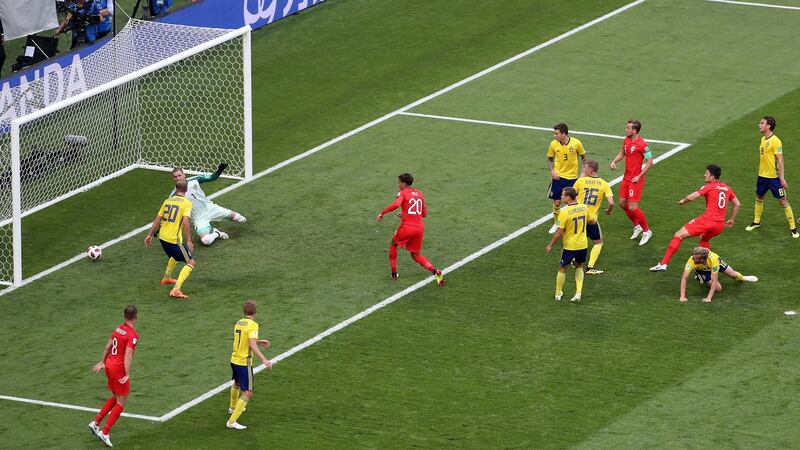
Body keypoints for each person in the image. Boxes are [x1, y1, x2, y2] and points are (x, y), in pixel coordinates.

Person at [650, 164, 740, 272]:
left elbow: (692, 196)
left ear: (712, 177)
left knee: (679, 235)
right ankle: (705, 266)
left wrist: (683, 201)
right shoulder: (727, 188)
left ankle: (663, 264)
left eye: (706, 173)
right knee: (704, 239)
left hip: (707, 221)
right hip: (719, 225)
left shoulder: (709, 186)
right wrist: (731, 219)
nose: (704, 175)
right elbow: (737, 204)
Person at [376, 173, 445, 286]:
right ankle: (434, 271)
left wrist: (382, 213)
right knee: (415, 255)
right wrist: (405, 213)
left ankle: (394, 274)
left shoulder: (403, 193)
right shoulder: (419, 193)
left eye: (399, 182)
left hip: (407, 227)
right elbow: (424, 213)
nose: (398, 185)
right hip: (419, 228)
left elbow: (396, 204)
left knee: (394, 244)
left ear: (404, 183)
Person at [88, 305, 140, 448]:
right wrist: (127, 373)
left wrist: (102, 361)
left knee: (116, 396)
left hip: (109, 366)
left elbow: (108, 346)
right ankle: (105, 432)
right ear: (136, 316)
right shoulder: (132, 335)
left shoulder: (118, 329)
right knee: (121, 401)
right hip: (118, 369)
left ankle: (96, 423)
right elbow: (128, 354)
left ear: (124, 316)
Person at [744, 116, 797, 238]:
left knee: (783, 200)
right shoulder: (763, 139)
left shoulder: (776, 141)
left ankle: (793, 228)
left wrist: (781, 177)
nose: (759, 124)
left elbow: (780, 159)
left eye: (761, 123)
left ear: (768, 126)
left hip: (774, 178)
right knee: (759, 196)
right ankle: (756, 221)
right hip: (762, 176)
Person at [171, 166, 247, 246]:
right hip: (199, 218)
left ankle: (229, 218)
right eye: (175, 177)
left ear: (184, 175)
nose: (178, 178)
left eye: (179, 175)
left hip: (210, 208)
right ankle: (216, 233)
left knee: (240, 218)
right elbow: (168, 210)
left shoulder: (194, 180)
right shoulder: (174, 195)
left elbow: (211, 178)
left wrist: (219, 170)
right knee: (206, 240)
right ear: (173, 179)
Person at [144, 180, 195, 298]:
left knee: (175, 256)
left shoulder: (167, 201)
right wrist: (189, 241)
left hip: (162, 237)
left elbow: (158, 219)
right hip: (173, 239)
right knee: (191, 262)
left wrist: (150, 235)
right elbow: (186, 222)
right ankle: (176, 289)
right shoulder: (186, 203)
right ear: (186, 190)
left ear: (175, 189)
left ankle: (166, 278)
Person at [545, 187, 596, 302]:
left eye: (563, 195)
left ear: (568, 197)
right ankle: (578, 293)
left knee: (563, 268)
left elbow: (559, 232)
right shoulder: (584, 207)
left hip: (570, 246)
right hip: (582, 244)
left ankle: (558, 293)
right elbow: (592, 222)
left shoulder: (564, 212)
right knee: (579, 267)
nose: (561, 197)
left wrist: (551, 245)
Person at [227, 300, 272, 430]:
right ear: (255, 312)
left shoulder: (238, 323)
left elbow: (244, 340)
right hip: (243, 362)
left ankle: (232, 407)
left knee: (237, 383)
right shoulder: (253, 325)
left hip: (234, 359)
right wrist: (264, 359)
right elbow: (250, 344)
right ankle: (231, 422)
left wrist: (258, 341)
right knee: (248, 392)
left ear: (244, 311)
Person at [610, 119, 654, 245]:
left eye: (628, 128)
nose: (626, 130)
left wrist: (639, 176)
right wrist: (614, 161)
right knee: (623, 204)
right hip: (626, 178)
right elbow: (622, 153)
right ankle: (637, 226)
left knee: (633, 207)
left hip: (636, 179)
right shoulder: (626, 140)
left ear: (634, 131)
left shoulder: (642, 145)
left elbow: (650, 162)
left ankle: (646, 231)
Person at [573, 160, 614, 274]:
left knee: (577, 238)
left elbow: (571, 194)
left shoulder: (581, 181)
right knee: (598, 242)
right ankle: (590, 267)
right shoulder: (604, 184)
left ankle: (574, 260)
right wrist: (609, 211)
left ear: (590, 170)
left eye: (585, 168)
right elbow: (611, 202)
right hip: (591, 219)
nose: (584, 170)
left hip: (577, 215)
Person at [546, 123, 587, 234]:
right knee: (557, 203)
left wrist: (584, 171)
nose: (555, 136)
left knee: (573, 203)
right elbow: (549, 159)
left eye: (556, 133)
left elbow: (584, 157)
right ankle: (557, 224)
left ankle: (574, 224)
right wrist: (552, 171)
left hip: (572, 178)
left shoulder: (576, 143)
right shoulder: (553, 144)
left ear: (564, 134)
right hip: (558, 178)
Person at [679, 247, 758, 303]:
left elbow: (714, 279)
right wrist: (682, 296)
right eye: (693, 257)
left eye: (695, 258)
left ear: (702, 259)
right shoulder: (692, 260)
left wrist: (709, 298)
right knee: (718, 289)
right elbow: (684, 278)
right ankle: (699, 275)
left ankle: (743, 278)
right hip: (702, 270)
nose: (692, 259)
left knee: (734, 275)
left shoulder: (714, 260)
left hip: (715, 265)